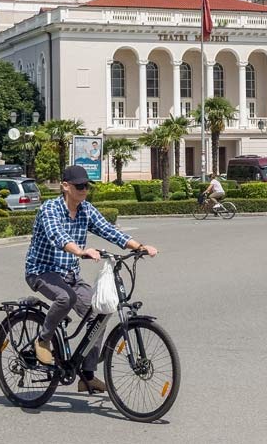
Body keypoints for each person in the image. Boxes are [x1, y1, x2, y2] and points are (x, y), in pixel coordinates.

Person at [24, 165, 157, 395]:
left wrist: (140, 247)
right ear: (65, 186)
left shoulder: (85, 209)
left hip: (70, 275)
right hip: (41, 271)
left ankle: (86, 375)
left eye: (87, 186)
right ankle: (43, 340)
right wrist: (80, 251)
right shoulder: (50, 209)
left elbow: (109, 230)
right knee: (66, 298)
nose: (85, 190)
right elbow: (58, 235)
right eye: (80, 186)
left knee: (100, 313)